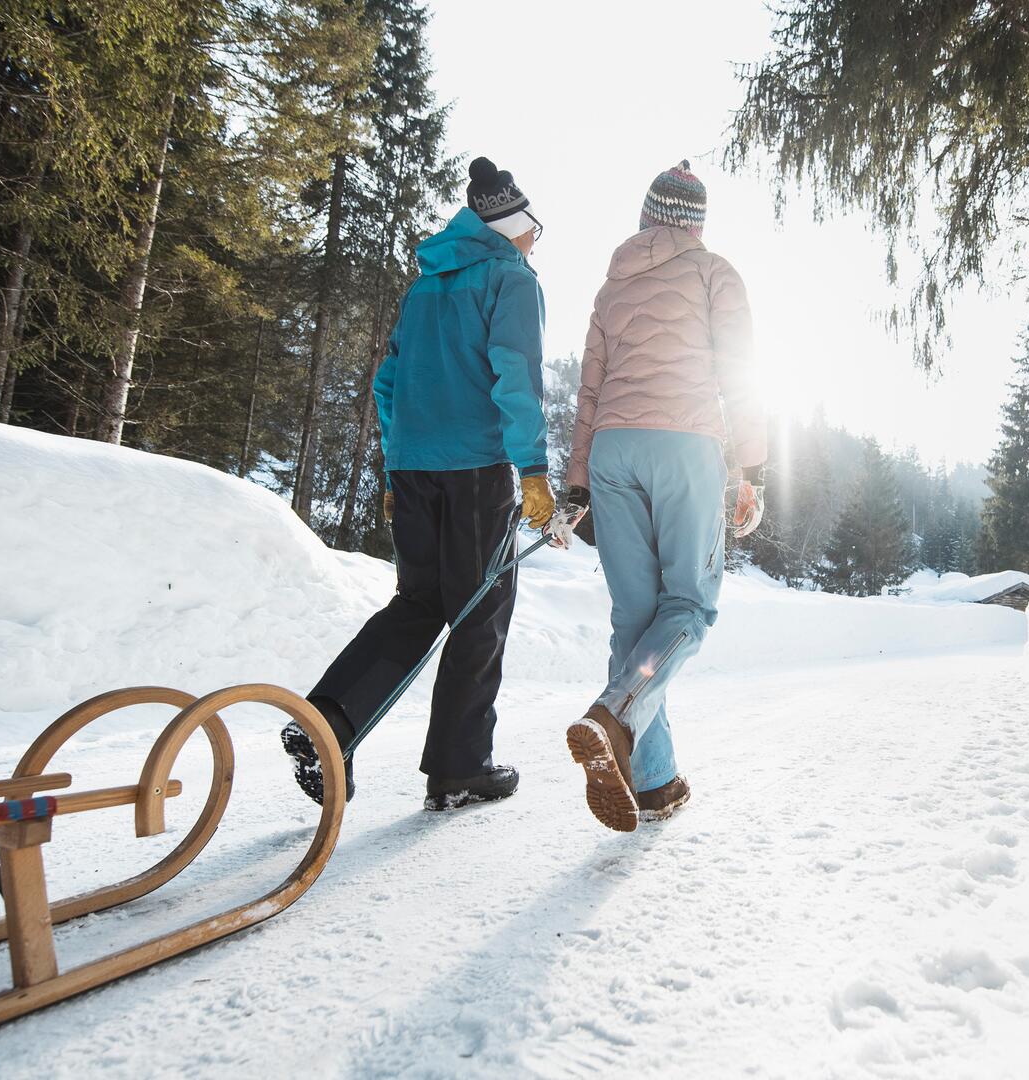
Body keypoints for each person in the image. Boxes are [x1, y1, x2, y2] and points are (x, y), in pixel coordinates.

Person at [282, 156, 555, 810]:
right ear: (510, 225)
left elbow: (388, 383)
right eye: (532, 230)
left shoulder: (425, 287)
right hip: (477, 472)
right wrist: (535, 470)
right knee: (478, 615)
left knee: (418, 606)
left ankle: (328, 721)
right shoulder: (511, 281)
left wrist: (393, 466)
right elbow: (514, 376)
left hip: (414, 471)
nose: (536, 242)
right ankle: (461, 768)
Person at [560, 160, 766, 832]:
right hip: (684, 445)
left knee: (635, 617)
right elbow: (742, 377)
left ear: (646, 219)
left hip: (615, 448)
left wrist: (578, 482)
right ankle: (616, 714)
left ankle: (651, 781)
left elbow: (588, 392)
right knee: (690, 605)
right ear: (696, 224)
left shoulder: (611, 286)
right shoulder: (714, 273)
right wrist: (752, 471)